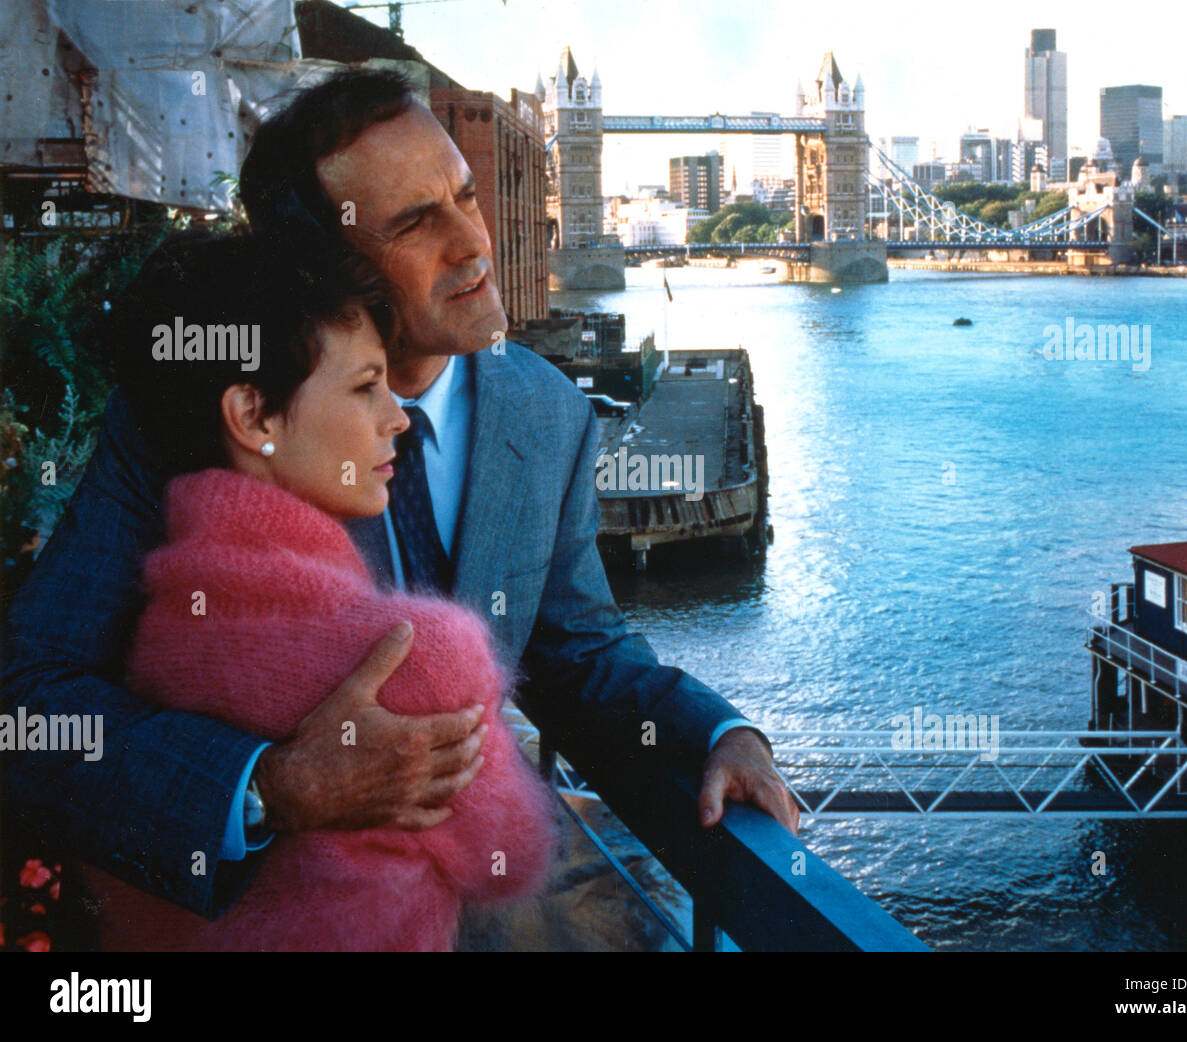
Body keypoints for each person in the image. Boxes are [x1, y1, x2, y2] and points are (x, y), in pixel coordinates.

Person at [1, 67, 798, 926]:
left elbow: (577, 649)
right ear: (324, 261)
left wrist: (718, 734)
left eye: (464, 195)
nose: (474, 245)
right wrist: (265, 788)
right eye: (418, 223)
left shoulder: (549, 411)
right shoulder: (191, 416)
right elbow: (28, 704)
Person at [80, 229, 554, 951]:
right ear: (253, 418)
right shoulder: (415, 655)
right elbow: (514, 857)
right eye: (366, 386)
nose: (397, 417)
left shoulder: (148, 635)